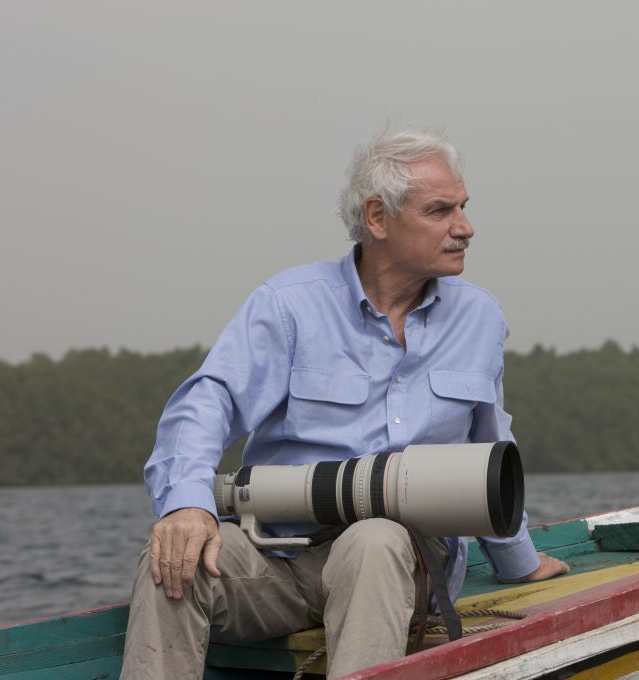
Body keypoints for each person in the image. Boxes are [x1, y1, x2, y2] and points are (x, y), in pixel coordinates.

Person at [120, 125, 570, 679]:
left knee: (375, 538)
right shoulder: (289, 306)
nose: (465, 228)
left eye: (463, 207)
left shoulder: (478, 316)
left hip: (402, 566)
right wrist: (186, 505)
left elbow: (490, 447)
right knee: (174, 557)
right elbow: (207, 401)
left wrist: (518, 563)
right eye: (440, 211)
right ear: (378, 218)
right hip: (278, 554)